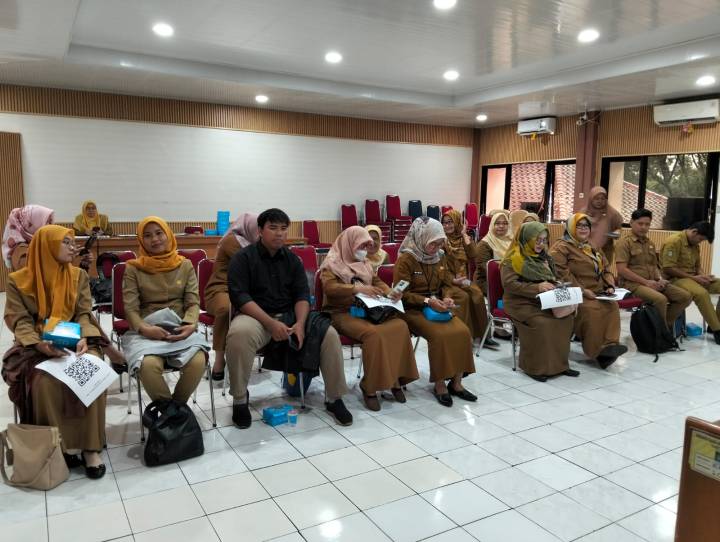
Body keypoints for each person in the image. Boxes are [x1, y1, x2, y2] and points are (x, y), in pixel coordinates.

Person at [225, 208, 353, 428]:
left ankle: (334, 398)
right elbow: (240, 297)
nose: (279, 233)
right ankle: (239, 399)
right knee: (239, 334)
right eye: (273, 228)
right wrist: (270, 323)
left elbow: (302, 295)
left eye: (283, 228)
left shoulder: (292, 260)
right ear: (260, 230)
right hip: (256, 317)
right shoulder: (242, 258)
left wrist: (300, 324)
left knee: (329, 335)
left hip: (290, 315)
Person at [2, 225, 108, 478]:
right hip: (36, 345)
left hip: (75, 342)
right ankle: (57, 445)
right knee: (43, 383)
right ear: (47, 246)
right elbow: (20, 320)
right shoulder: (18, 280)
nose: (73, 247)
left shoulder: (77, 276)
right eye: (66, 243)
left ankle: (91, 447)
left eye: (73, 242)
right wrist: (40, 345)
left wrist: (84, 338)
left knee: (92, 372)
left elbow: (84, 313)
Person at [320, 226, 418, 410]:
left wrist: (390, 292)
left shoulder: (364, 263)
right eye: (361, 245)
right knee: (373, 334)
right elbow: (330, 289)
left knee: (400, 325)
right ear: (350, 243)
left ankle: (395, 379)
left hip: (367, 309)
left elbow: (376, 280)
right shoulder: (331, 264)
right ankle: (369, 387)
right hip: (340, 312)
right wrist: (356, 288)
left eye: (367, 246)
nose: (364, 250)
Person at [121, 217, 208, 403]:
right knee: (148, 366)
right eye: (147, 235)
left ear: (168, 234)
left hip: (180, 328)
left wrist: (190, 324)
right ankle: (173, 413)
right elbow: (130, 308)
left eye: (159, 233)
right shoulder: (133, 269)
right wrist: (145, 329)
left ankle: (175, 409)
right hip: (147, 330)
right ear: (141, 240)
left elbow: (193, 302)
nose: (155, 239)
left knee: (198, 361)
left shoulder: (184, 265)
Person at [393, 216, 477, 406]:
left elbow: (446, 283)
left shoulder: (440, 256)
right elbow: (400, 294)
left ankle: (456, 383)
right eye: (433, 243)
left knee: (463, 332)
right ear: (422, 237)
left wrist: (446, 297)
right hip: (412, 309)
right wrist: (427, 301)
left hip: (436, 305)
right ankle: (439, 385)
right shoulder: (406, 259)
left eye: (440, 243)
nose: (436, 247)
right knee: (439, 336)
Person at [501, 221, 577, 381]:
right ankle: (535, 368)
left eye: (544, 240)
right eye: (537, 240)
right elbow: (510, 285)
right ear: (526, 238)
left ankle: (560, 365)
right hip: (520, 303)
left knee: (566, 320)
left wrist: (557, 284)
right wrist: (537, 287)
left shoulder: (545, 258)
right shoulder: (512, 259)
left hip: (544, 301)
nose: (541, 244)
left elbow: (553, 277)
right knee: (542, 323)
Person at [550, 213, 628, 369]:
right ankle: (596, 351)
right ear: (570, 227)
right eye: (579, 225)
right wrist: (583, 291)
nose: (583, 229)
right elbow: (563, 275)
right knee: (592, 310)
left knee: (612, 307)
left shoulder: (591, 246)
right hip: (575, 293)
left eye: (586, 226)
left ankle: (610, 345)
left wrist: (610, 285)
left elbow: (606, 268)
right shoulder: (560, 248)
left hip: (598, 292)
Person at [616, 209, 692, 331]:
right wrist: (646, 283)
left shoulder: (650, 243)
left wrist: (660, 279)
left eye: (647, 224)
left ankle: (663, 327)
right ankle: (661, 333)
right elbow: (622, 270)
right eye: (640, 223)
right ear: (631, 223)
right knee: (660, 299)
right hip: (632, 285)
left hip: (652, 282)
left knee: (685, 297)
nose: (644, 227)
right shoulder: (624, 243)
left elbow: (654, 265)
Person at [204, 213, 259, 380]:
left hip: (245, 290)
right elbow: (252, 265)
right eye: (257, 229)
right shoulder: (232, 241)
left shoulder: (255, 244)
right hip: (221, 289)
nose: (259, 233)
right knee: (226, 309)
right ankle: (219, 359)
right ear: (248, 228)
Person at [441, 210, 498, 349]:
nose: (447, 226)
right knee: (464, 297)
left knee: (477, 294)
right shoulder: (441, 240)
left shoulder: (462, 239)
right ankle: (466, 335)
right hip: (447, 280)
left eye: (450, 222)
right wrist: (453, 280)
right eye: (444, 223)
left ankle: (484, 335)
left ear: (457, 222)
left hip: (463, 279)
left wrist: (464, 234)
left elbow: (474, 255)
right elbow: (439, 268)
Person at [660, 221, 720, 344]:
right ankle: (717, 330)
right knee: (701, 294)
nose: (700, 242)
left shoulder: (694, 244)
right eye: (700, 239)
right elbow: (668, 268)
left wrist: (703, 276)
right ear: (694, 232)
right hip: (675, 279)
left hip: (692, 278)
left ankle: (714, 324)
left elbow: (697, 266)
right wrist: (694, 278)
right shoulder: (674, 241)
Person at [2, 204, 54, 270]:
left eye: (51, 221)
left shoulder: (34, 243)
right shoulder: (22, 253)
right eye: (47, 222)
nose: (51, 226)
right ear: (31, 225)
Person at [580, 186, 623, 264]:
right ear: (591, 199)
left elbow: (618, 229)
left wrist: (609, 234)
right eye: (596, 198)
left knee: (603, 269)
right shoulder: (583, 212)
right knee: (586, 269)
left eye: (602, 199)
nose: (599, 201)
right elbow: (576, 228)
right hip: (586, 249)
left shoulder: (612, 213)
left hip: (605, 250)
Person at [475, 211, 512, 294]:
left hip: (509, 277)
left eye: (505, 223)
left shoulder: (512, 241)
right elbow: (486, 269)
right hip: (487, 280)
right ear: (492, 225)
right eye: (497, 223)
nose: (501, 226)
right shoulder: (484, 244)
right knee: (515, 291)